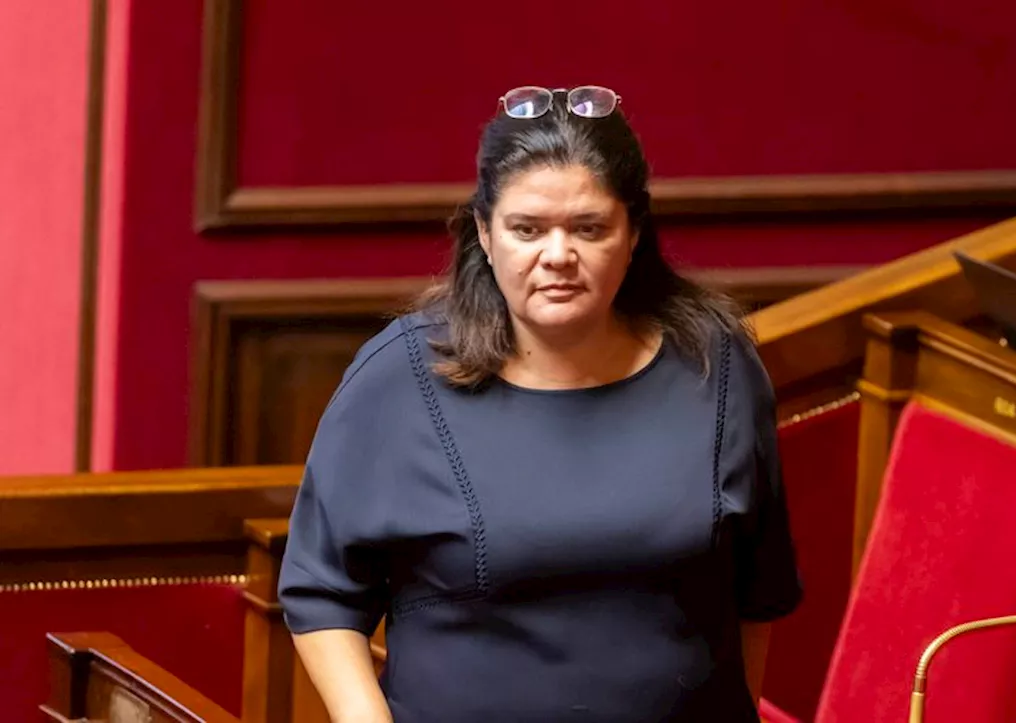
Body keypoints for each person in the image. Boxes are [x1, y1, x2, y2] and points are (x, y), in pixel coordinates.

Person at [278, 85, 803, 722]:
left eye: (589, 228)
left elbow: (758, 590)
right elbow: (322, 592)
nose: (558, 256)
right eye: (527, 229)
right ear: (484, 231)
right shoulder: (400, 377)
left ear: (633, 231)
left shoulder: (715, 366)